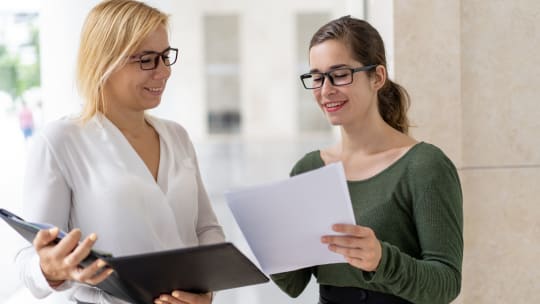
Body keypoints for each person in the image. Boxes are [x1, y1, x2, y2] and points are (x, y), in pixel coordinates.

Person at [15, 1, 224, 304]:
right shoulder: (60, 141)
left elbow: (206, 229)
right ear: (105, 61)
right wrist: (49, 267)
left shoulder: (176, 136)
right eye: (147, 60)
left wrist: (205, 291)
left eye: (166, 57)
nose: (164, 71)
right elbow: (28, 259)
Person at [270, 16, 463, 304]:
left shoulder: (424, 166)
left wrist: (382, 260)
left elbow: (446, 284)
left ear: (378, 77)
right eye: (317, 77)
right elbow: (294, 283)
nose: (325, 90)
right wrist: (270, 245)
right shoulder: (309, 170)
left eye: (340, 74)